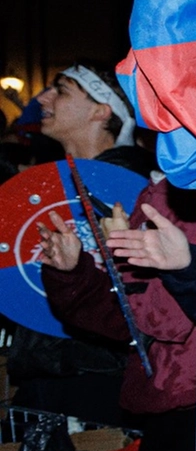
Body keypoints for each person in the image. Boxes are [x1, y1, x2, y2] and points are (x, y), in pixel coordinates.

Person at [10, 63, 156, 429]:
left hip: (97, 374)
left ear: (101, 110)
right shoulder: (46, 189)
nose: (43, 97)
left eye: (61, 89)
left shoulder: (138, 191)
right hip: (48, 369)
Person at [38, 180, 196, 451]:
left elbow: (169, 320)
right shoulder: (156, 192)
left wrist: (123, 256)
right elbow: (127, 321)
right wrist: (73, 273)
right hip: (162, 399)